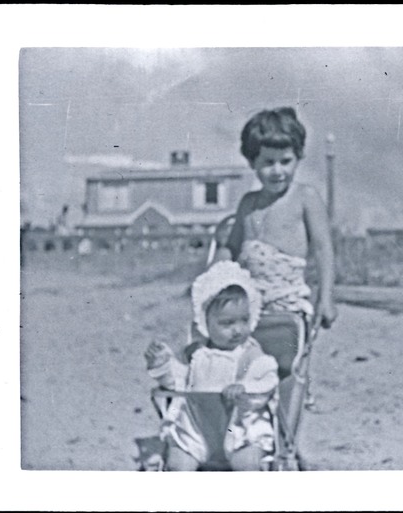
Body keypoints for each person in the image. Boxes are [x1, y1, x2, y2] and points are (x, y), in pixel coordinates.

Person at [144, 261, 279, 471]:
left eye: (244, 321)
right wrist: (161, 364)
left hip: (238, 429)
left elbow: (268, 382)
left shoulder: (250, 354)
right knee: (178, 462)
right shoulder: (196, 354)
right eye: (227, 323)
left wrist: (245, 388)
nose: (237, 330)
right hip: (196, 431)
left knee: (248, 462)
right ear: (205, 322)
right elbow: (175, 383)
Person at [213, 106, 337, 332]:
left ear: (298, 158)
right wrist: (213, 278)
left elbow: (323, 249)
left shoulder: (305, 197)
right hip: (249, 305)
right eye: (268, 162)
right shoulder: (248, 204)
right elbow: (231, 248)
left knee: (285, 361)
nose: (278, 171)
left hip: (288, 304)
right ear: (252, 163)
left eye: (286, 161)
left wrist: (325, 299)